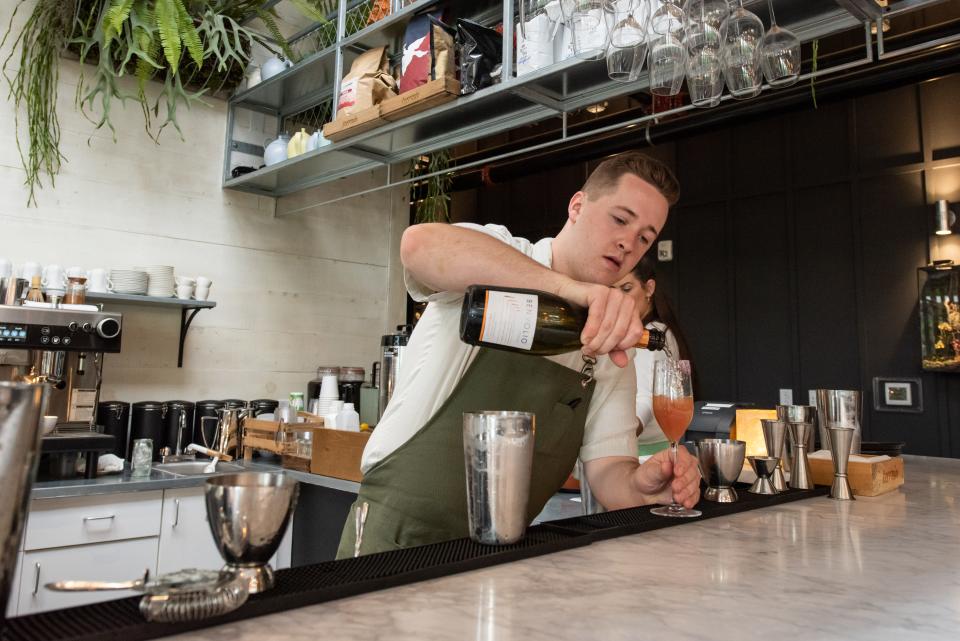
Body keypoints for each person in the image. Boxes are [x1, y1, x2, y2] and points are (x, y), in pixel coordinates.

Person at [336, 152, 702, 558]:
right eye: (620, 219)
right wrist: (571, 292)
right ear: (577, 206)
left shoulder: (610, 348)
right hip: (394, 540)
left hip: (499, 557)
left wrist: (644, 486)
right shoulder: (503, 255)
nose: (628, 243)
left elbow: (609, 471)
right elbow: (419, 245)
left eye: (645, 238)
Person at [617, 254, 697, 456]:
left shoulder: (650, 334)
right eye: (611, 290)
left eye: (626, 289)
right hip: (661, 450)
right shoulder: (664, 329)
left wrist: (614, 439)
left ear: (649, 288)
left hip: (640, 457)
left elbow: (644, 398)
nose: (618, 299)